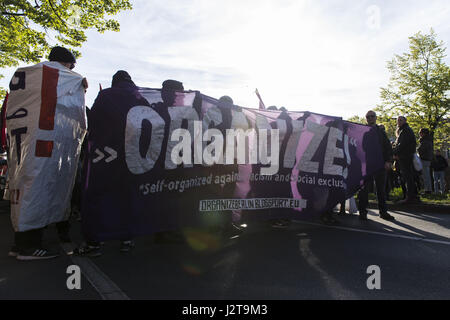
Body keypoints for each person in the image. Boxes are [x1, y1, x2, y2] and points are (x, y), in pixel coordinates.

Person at [8, 46, 88, 260]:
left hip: (23, 143)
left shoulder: (26, 74)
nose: (72, 68)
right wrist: (81, 84)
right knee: (39, 192)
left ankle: (20, 243)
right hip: (44, 143)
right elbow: (76, 111)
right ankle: (29, 246)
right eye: (71, 64)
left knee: (25, 190)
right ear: (65, 63)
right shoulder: (62, 75)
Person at [74, 70, 137, 257]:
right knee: (127, 198)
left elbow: (92, 121)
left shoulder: (106, 96)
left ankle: (94, 242)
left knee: (97, 197)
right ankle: (127, 238)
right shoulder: (140, 97)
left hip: (106, 156)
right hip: (133, 158)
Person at [358, 111, 395, 221]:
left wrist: (388, 161)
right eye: (367, 117)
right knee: (364, 190)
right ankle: (362, 212)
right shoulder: (363, 131)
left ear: (376, 117)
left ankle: (383, 212)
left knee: (381, 190)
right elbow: (359, 147)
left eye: (372, 116)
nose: (370, 118)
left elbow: (388, 147)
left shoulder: (381, 132)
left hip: (381, 164)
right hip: (368, 165)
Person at [393, 116, 418, 204]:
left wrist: (394, 153)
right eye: (398, 120)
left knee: (408, 176)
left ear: (405, 121)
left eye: (400, 120)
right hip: (405, 156)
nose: (399, 122)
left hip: (405, 157)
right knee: (409, 176)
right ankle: (413, 195)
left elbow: (402, 145)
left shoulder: (406, 130)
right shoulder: (404, 130)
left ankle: (410, 196)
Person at [417, 128, 433, 194]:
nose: (419, 134)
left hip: (424, 159)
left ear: (424, 133)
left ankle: (427, 190)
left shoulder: (425, 141)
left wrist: (417, 149)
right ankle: (428, 189)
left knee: (425, 175)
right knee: (426, 175)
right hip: (427, 159)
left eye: (420, 133)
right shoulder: (428, 140)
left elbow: (421, 149)